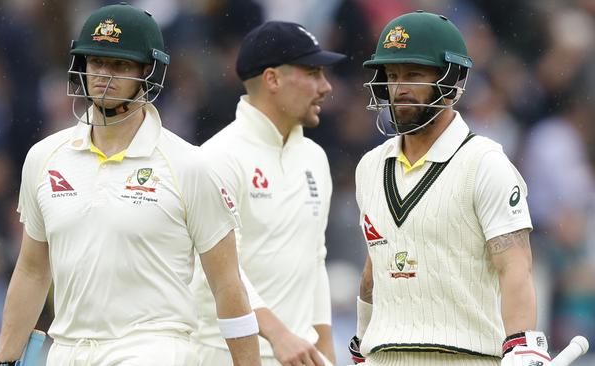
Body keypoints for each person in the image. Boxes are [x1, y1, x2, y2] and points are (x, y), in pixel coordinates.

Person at [0, 4, 260, 366]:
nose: (104, 74)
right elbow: (32, 270)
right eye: (96, 61)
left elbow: (227, 284)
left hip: (153, 348)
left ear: (147, 71)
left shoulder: (189, 164)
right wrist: (4, 360)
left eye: (120, 64)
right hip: (67, 350)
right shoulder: (45, 157)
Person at [348, 10, 552, 366]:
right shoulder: (369, 167)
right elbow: (374, 269)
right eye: (392, 76)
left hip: (465, 357)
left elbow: (515, 267)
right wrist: (362, 341)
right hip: (385, 357)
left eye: (413, 74)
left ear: (452, 79)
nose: (400, 89)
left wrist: (522, 344)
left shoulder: (485, 164)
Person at [190, 21, 345, 366]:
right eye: (313, 72)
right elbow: (212, 274)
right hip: (223, 357)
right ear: (272, 79)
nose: (326, 86)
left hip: (300, 356)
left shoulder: (314, 157)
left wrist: (326, 349)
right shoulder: (218, 157)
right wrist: (278, 334)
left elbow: (314, 260)